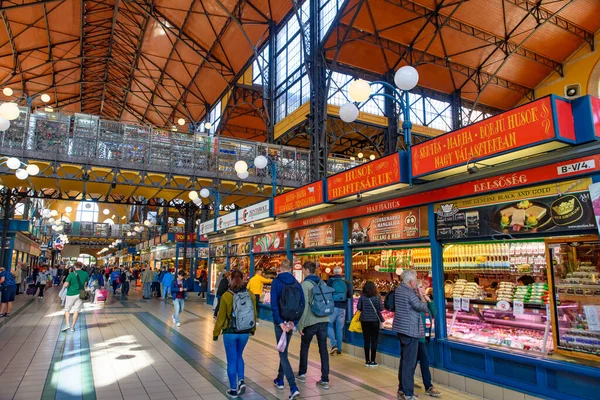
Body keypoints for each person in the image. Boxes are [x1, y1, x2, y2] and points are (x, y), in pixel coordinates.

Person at [213, 269, 257, 398]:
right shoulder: (250, 294)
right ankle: (241, 380)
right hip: (245, 332)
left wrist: (216, 333)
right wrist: (252, 330)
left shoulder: (227, 296)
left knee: (231, 360)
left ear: (231, 279)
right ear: (243, 279)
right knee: (239, 356)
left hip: (230, 332)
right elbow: (254, 313)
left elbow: (221, 318)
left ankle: (233, 389)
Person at [393, 269, 431, 400]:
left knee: (404, 361)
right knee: (409, 363)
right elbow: (423, 307)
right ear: (410, 281)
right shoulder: (409, 293)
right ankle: (408, 393)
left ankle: (402, 390)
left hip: (402, 329)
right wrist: (422, 296)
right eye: (415, 280)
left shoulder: (399, 290)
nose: (416, 282)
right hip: (411, 330)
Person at [270, 259, 303, 400]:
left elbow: (273, 304)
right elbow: (302, 304)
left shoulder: (276, 282)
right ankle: (279, 379)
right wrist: (293, 323)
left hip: (281, 323)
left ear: (280, 268)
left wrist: (279, 322)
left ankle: (293, 386)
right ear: (291, 269)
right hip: (290, 322)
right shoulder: (297, 283)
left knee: (283, 354)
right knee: (284, 349)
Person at [297, 261, 330, 390]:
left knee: (304, 347)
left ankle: (302, 373)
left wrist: (300, 324)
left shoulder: (305, 285)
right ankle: (325, 379)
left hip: (311, 321)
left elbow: (304, 306)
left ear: (306, 270)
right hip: (324, 320)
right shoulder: (322, 282)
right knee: (323, 350)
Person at [414, 281, 441, 397]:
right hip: (418, 338)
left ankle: (407, 383)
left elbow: (434, 313)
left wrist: (430, 301)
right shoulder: (415, 302)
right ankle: (428, 386)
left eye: (424, 286)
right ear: (416, 289)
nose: (424, 288)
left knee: (413, 362)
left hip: (426, 337)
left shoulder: (426, 301)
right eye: (421, 287)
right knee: (424, 362)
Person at [326, 266, 352, 355]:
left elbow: (327, 293)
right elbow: (350, 296)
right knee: (339, 328)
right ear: (341, 272)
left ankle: (334, 345)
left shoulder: (330, 281)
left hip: (333, 307)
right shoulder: (346, 282)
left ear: (333, 272)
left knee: (329, 324)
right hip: (342, 308)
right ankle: (340, 349)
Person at [357, 280, 383, 367]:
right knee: (374, 340)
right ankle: (373, 360)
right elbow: (381, 308)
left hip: (364, 320)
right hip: (375, 321)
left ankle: (367, 360)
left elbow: (359, 308)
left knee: (366, 340)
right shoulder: (377, 297)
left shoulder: (362, 297)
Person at [62, 262, 89, 333]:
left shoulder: (71, 274)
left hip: (70, 294)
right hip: (80, 294)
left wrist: (65, 284)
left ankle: (67, 324)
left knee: (67, 309)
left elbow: (66, 285)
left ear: (74, 266)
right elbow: (85, 284)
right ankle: (72, 327)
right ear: (81, 266)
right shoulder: (85, 274)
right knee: (76, 310)